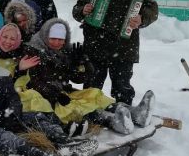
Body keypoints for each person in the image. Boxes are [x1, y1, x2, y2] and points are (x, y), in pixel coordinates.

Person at [20, 18, 154, 135]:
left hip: (63, 91)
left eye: (60, 39)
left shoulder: (65, 52)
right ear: (45, 37)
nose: (57, 43)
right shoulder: (35, 52)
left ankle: (136, 114)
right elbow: (34, 81)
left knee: (94, 94)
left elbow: (78, 78)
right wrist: (55, 94)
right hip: (45, 96)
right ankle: (112, 121)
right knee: (76, 108)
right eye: (53, 39)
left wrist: (83, 62)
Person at [72, 0, 158, 105]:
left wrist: (142, 18)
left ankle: (123, 112)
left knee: (122, 86)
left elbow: (152, 8)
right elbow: (76, 10)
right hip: (95, 44)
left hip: (123, 45)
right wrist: (83, 10)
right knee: (92, 85)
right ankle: (90, 112)